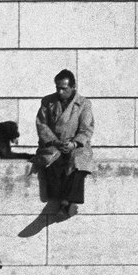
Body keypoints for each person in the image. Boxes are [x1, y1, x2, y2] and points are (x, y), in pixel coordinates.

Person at [36, 69, 94, 218]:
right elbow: (42, 124)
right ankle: (65, 202)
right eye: (58, 88)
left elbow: (86, 129)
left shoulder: (84, 104)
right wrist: (55, 141)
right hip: (53, 144)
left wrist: (74, 144)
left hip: (75, 145)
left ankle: (66, 203)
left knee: (78, 163)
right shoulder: (48, 101)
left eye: (64, 88)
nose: (60, 92)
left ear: (73, 87)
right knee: (54, 163)